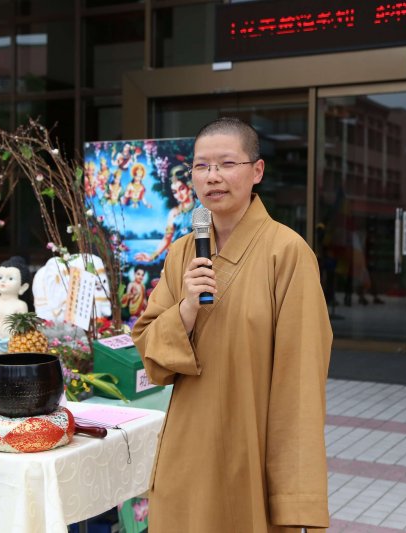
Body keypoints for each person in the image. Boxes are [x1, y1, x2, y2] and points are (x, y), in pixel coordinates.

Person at [132, 117, 332, 532]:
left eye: (226, 164)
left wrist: (294, 496)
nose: (213, 177)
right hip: (188, 446)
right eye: (202, 167)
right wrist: (186, 308)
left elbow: (300, 384)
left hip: (250, 445)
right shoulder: (182, 253)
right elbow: (150, 350)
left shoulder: (287, 253)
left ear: (256, 171)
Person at [133, 166, 197, 262]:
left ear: (189, 186)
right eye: (175, 192)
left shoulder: (202, 207)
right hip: (176, 259)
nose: (179, 195)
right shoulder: (174, 213)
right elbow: (167, 238)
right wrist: (152, 256)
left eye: (182, 188)